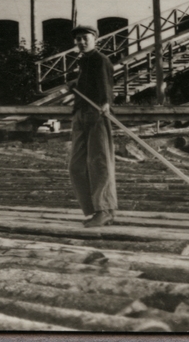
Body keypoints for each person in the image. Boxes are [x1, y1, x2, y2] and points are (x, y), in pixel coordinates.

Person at [69, 25, 118, 226]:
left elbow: (106, 85)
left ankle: (103, 210)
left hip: (97, 113)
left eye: (85, 38)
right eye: (78, 39)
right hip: (80, 113)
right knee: (76, 166)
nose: (81, 42)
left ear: (94, 39)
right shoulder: (82, 61)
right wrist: (75, 85)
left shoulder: (101, 60)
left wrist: (105, 103)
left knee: (99, 162)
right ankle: (96, 209)